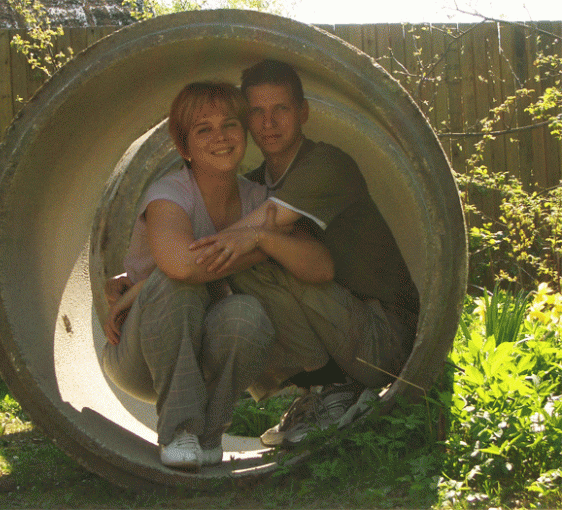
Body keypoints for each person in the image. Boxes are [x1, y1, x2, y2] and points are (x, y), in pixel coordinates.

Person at [101, 81, 335, 471]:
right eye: (203, 129)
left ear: (245, 134)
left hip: (208, 347)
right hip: (141, 355)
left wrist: (257, 236)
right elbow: (182, 268)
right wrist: (260, 246)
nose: (220, 137)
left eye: (230, 124)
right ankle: (179, 431)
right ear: (183, 147)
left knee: (246, 314)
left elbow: (320, 266)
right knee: (177, 286)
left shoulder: (258, 199)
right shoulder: (169, 194)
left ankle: (209, 434)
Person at [190, 60, 420, 448]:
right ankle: (323, 390)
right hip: (345, 328)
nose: (269, 122)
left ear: (303, 113)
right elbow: (205, 234)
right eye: (257, 112)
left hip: (388, 341)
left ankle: (332, 386)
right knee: (233, 266)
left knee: (251, 255)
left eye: (280, 108)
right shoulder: (256, 183)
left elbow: (251, 230)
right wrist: (142, 282)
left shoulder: (327, 164)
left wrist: (184, 260)